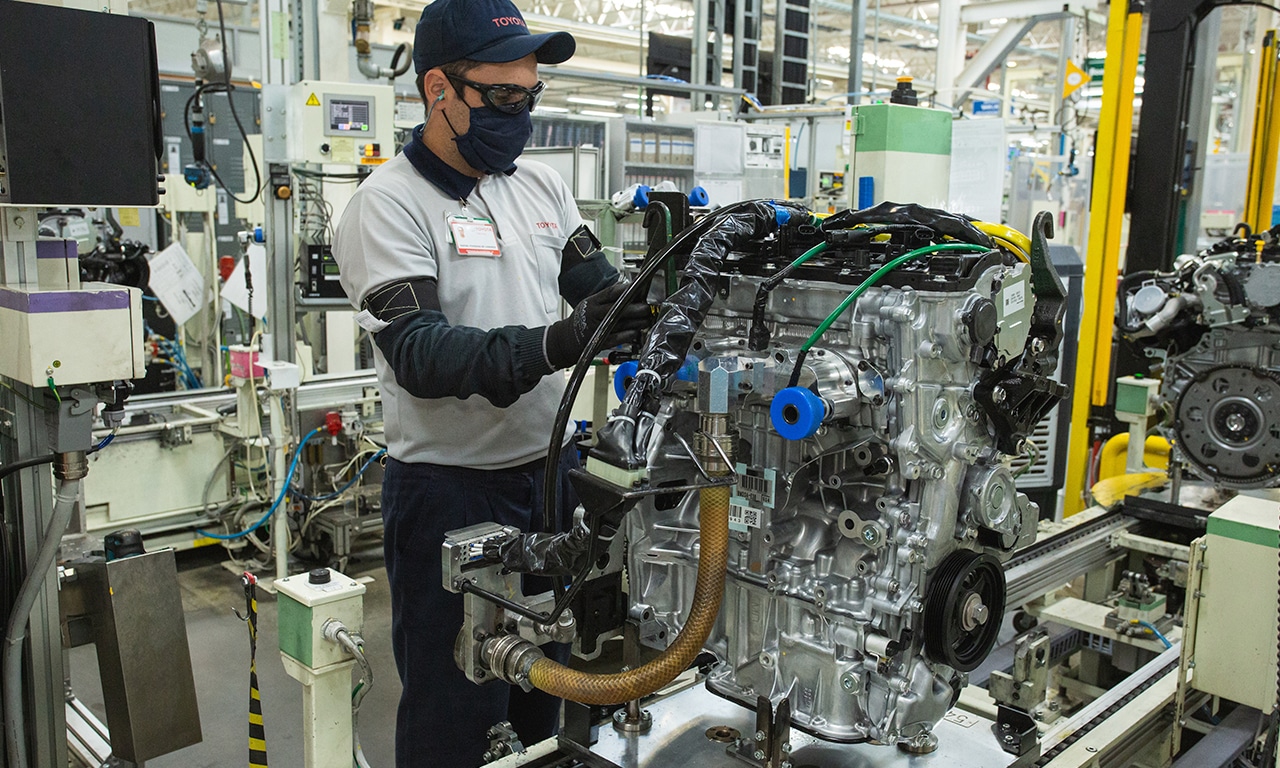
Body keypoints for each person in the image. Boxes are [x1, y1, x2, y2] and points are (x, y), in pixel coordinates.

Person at [331, 0, 653, 764]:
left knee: (547, 696)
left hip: (552, 482)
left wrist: (653, 306)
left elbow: (602, 294)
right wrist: (561, 340)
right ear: (437, 89)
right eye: (502, 96)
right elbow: (423, 354)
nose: (521, 115)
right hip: (450, 495)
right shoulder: (386, 206)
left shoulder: (540, 187)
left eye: (531, 96)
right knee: (458, 713)